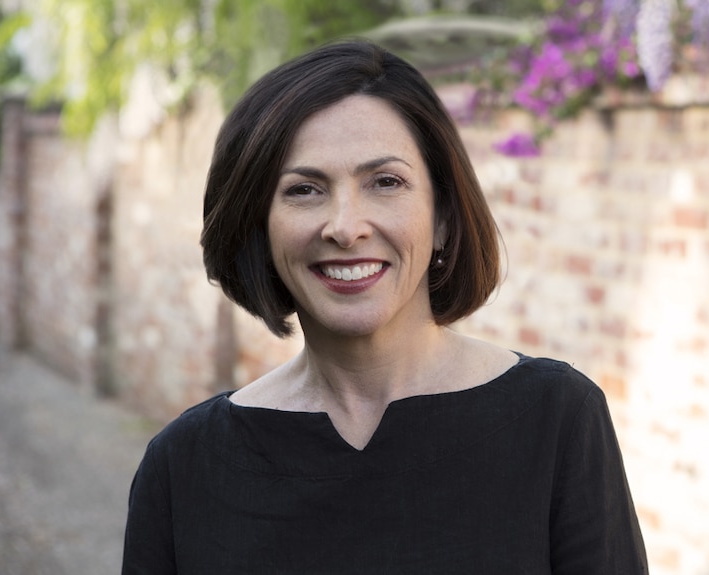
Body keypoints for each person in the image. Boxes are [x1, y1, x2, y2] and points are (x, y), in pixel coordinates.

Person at [122, 39, 648, 574]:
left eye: (386, 182)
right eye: (304, 190)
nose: (346, 227)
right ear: (258, 225)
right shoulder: (183, 466)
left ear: (442, 216)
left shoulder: (557, 420)